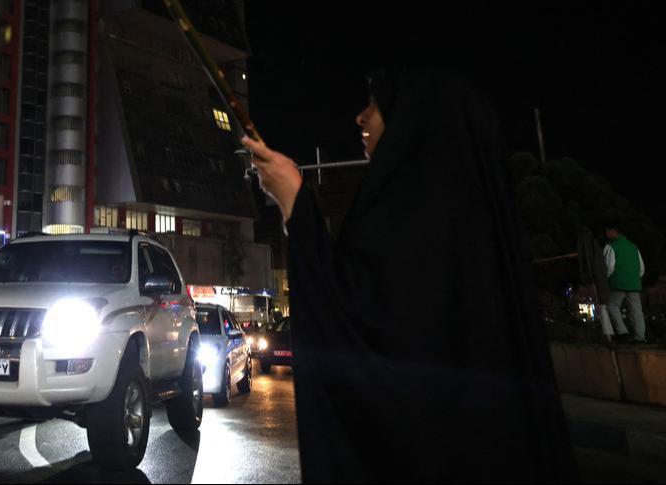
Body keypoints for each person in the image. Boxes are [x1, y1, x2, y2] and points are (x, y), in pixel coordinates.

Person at [242, 67, 575, 483]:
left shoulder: (415, 216)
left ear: (411, 121)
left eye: (375, 104)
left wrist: (296, 204)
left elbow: (367, 333)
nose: (360, 118)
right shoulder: (471, 221)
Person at [604, 220, 647, 343]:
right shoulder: (634, 247)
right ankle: (640, 337)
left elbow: (609, 267)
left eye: (607, 231)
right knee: (636, 310)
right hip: (634, 283)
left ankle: (622, 332)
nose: (606, 234)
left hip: (618, 283)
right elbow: (641, 268)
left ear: (613, 232)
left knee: (612, 306)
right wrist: (634, 278)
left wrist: (607, 280)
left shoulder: (611, 246)